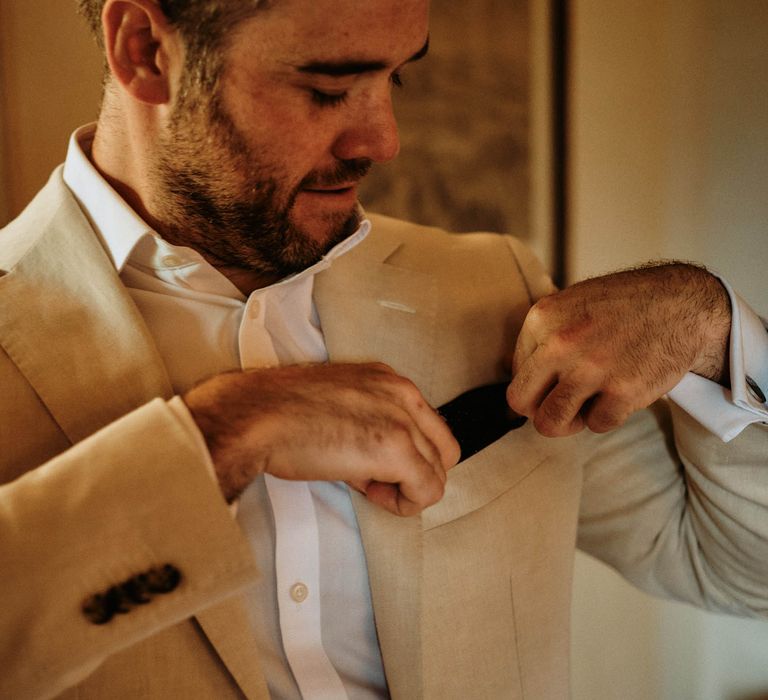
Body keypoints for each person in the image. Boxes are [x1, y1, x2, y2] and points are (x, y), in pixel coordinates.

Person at [0, 0, 766, 698]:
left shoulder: (491, 289)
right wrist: (216, 437)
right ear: (144, 51)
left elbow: (735, 573)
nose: (385, 141)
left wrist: (710, 328)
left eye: (396, 78)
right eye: (328, 89)